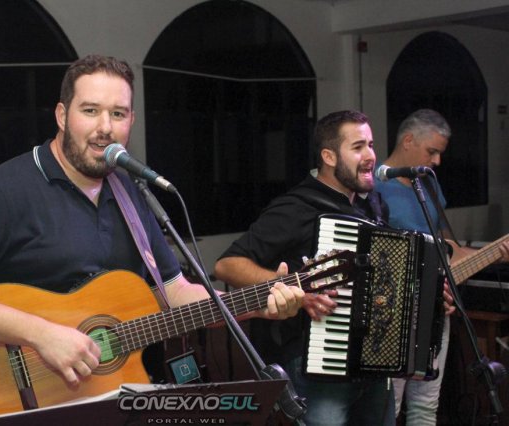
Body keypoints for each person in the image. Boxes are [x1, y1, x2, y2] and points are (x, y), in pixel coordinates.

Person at [0, 54, 304, 411]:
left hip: (107, 400)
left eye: (118, 114)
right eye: (90, 111)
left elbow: (177, 293)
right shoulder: (5, 190)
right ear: (62, 116)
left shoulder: (131, 192)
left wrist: (258, 303)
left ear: (131, 121)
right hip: (22, 400)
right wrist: (41, 334)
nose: (105, 127)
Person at [214, 110, 396, 426]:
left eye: (370, 144)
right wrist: (294, 289)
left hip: (372, 360)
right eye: (357, 147)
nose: (370, 155)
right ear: (328, 156)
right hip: (317, 363)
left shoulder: (373, 206)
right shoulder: (296, 207)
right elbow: (227, 264)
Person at [375, 108, 509, 425]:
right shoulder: (374, 189)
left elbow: (449, 249)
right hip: (394, 312)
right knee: (389, 406)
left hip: (437, 307)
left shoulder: (428, 185)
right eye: (431, 151)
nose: (437, 161)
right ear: (408, 140)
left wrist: (495, 254)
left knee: (425, 405)